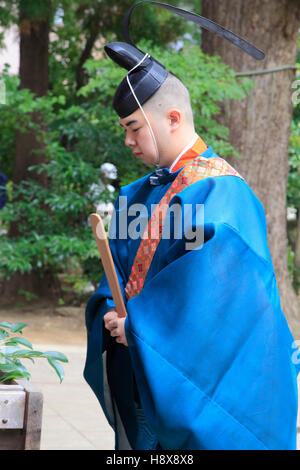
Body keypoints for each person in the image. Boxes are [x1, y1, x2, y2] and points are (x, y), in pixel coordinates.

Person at [84, 2, 299, 450]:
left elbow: (216, 302)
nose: (127, 141)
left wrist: (139, 324)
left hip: (198, 384)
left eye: (134, 128)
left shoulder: (224, 194)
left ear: (173, 119)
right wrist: (111, 310)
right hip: (143, 371)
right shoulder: (136, 196)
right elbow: (117, 276)